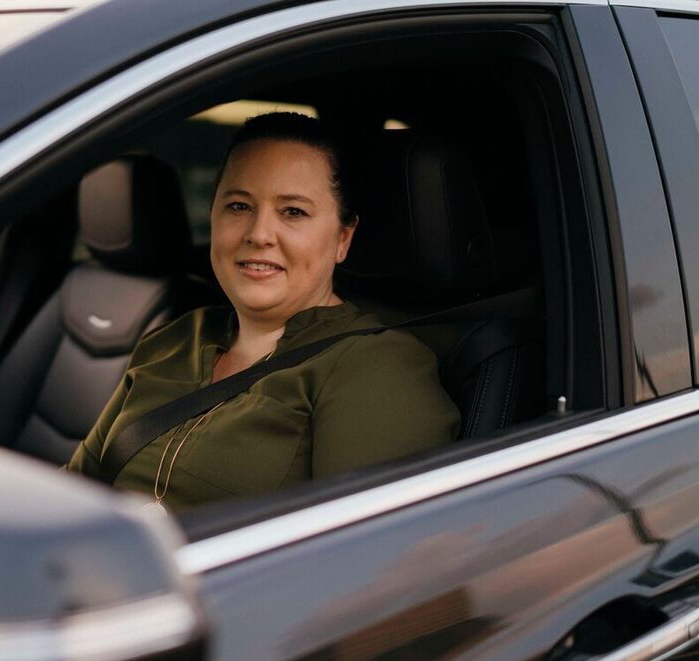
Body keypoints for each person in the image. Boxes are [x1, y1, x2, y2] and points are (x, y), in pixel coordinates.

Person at [67, 112, 459, 510]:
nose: (258, 234)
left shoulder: (377, 368)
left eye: (293, 212)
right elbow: (73, 493)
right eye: (239, 206)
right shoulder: (174, 339)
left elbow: (357, 558)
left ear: (343, 238)